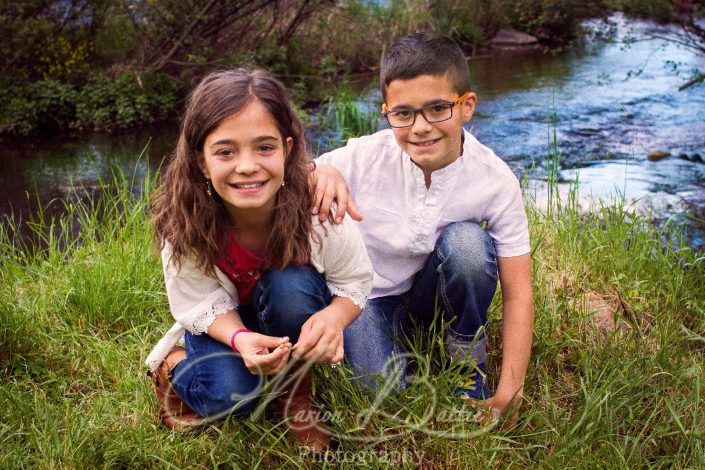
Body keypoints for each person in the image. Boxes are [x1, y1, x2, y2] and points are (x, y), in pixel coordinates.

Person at [313, 32, 535, 424]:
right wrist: (320, 170)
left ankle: (466, 359)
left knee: (467, 244)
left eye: (437, 108)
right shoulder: (364, 157)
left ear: (466, 106)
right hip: (361, 299)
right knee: (382, 399)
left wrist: (510, 394)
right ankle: (397, 354)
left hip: (430, 296)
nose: (420, 128)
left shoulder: (496, 181)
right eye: (403, 113)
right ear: (387, 112)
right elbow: (288, 169)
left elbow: (519, 294)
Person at [146, 68, 373, 450]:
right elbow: (198, 300)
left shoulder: (317, 208)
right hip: (224, 321)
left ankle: (296, 401)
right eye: (225, 152)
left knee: (291, 285)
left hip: (287, 308)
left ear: (286, 149)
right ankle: (174, 367)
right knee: (230, 397)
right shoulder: (183, 220)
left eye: (264, 148)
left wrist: (335, 317)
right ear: (202, 161)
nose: (247, 165)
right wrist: (240, 338)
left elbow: (354, 281)